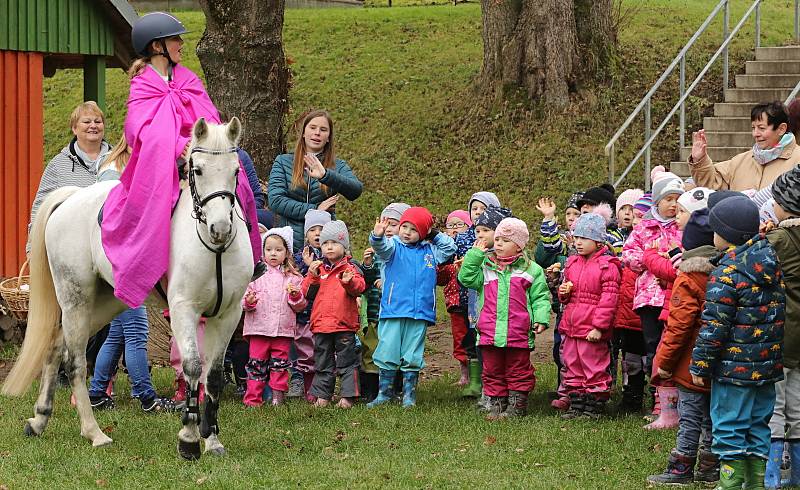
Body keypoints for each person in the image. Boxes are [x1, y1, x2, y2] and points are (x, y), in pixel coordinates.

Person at [100, 12, 264, 308]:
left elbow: (211, 118)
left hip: (199, 159)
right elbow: (140, 130)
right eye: (175, 39)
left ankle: (253, 257)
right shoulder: (142, 84)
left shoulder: (188, 77)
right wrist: (179, 146)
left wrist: (210, 143)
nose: (180, 44)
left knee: (238, 186)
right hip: (163, 164)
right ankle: (148, 265)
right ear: (156, 46)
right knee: (157, 205)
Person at [690, 196, 784, 489]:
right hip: (766, 368)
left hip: (734, 371)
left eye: (716, 230)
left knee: (729, 427)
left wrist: (700, 364)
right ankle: (755, 485)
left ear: (726, 235)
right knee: (758, 426)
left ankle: (729, 485)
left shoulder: (727, 273)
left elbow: (715, 325)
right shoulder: (769, 263)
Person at [647, 209, 720, 485]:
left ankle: (681, 468)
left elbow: (678, 327)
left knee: (689, 418)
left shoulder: (688, 278)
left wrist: (664, 362)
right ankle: (710, 468)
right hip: (715, 363)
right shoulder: (724, 274)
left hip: (688, 365)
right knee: (711, 419)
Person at [458, 218, 550, 420]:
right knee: (491, 370)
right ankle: (497, 404)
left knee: (518, 369)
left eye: (505, 240)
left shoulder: (531, 269)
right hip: (490, 331)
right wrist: (474, 255)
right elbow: (465, 278)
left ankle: (517, 405)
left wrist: (541, 318)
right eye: (497, 239)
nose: (498, 243)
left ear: (519, 245)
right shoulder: (486, 267)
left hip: (517, 332)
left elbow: (540, 297)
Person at [367, 207, 456, 408]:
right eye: (404, 226)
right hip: (394, 309)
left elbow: (450, 248)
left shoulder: (431, 251)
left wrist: (432, 233)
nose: (406, 232)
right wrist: (377, 236)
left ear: (423, 233)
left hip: (419, 312)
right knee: (387, 350)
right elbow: (380, 248)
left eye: (413, 229)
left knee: (413, 353)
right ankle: (385, 393)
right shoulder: (393, 246)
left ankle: (409, 395)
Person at [622, 165, 684, 429]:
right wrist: (650, 260)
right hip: (649, 296)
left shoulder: (684, 225)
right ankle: (659, 399)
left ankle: (679, 400)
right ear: (657, 200)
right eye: (669, 199)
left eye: (677, 200)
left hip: (676, 296)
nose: (673, 205)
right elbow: (628, 254)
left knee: (673, 346)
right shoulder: (645, 227)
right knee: (652, 347)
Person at [558, 206, 621, 419]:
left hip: (591, 326)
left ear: (598, 241)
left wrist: (598, 326)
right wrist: (564, 292)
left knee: (593, 365)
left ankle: (594, 405)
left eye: (584, 238)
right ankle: (577, 403)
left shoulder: (607, 265)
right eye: (576, 237)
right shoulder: (572, 262)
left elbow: (609, 299)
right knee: (572, 364)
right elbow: (566, 295)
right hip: (572, 324)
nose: (578, 242)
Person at [268, 110, 363, 250]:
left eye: (323, 129)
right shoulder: (283, 162)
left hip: (325, 245)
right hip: (289, 243)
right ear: (304, 133)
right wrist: (315, 210)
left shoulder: (338, 165)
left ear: (329, 137)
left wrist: (326, 175)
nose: (317, 133)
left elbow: (356, 190)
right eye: (312, 128)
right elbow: (276, 201)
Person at [28, 101, 111, 253]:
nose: (93, 125)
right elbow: (40, 208)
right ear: (74, 128)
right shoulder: (58, 165)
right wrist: (32, 249)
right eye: (86, 121)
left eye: (98, 121)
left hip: (109, 247)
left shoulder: (118, 161)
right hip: (70, 249)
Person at [301, 220, 365, 409]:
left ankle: (348, 396)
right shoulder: (318, 269)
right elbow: (307, 293)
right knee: (322, 362)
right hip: (321, 325)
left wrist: (348, 282)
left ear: (344, 247)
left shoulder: (350, 269)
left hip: (343, 324)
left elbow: (359, 288)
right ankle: (323, 396)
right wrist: (311, 275)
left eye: (334, 243)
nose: (329, 247)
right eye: (325, 243)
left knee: (347, 362)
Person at [241, 227, 306, 407]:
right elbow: (243, 302)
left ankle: (278, 397)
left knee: (280, 364)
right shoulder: (255, 275)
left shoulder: (293, 278)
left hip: (282, 330)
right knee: (256, 364)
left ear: (287, 252)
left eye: (278, 250)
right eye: (269, 249)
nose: (273, 253)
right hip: (258, 329)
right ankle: (253, 399)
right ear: (262, 251)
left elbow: (300, 305)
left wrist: (294, 296)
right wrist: (250, 301)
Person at [764, 168, 800, 489]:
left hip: (781, 332)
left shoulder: (776, 240)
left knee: (775, 405)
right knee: (799, 404)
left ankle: (773, 475)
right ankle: (797, 474)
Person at [689, 101, 800, 191]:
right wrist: (700, 160)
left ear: (781, 129)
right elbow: (712, 183)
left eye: (761, 128)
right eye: (753, 128)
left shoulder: (797, 160)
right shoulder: (740, 161)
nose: (755, 134)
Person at [454, 192, 502, 399]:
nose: (478, 213)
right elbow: (463, 273)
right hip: (471, 298)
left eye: (483, 209)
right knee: (473, 337)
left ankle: (492, 383)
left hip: (494, 300)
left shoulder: (501, 247)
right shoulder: (466, 237)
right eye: (474, 209)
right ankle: (475, 381)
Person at [288, 209, 331, 402]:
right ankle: (306, 387)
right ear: (306, 234)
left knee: (322, 352)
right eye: (313, 230)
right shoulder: (299, 257)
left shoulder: (333, 256)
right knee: (304, 350)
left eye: (321, 229)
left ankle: (322, 389)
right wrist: (306, 265)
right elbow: (299, 281)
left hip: (326, 313)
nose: (317, 233)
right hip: (305, 313)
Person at [437, 209, 472, 386]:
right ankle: (464, 374)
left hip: (474, 303)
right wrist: (444, 262)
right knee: (460, 339)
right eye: (450, 226)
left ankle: (478, 373)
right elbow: (440, 280)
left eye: (460, 225)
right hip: (455, 302)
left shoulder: (473, 251)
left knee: (474, 337)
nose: (455, 229)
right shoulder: (446, 254)